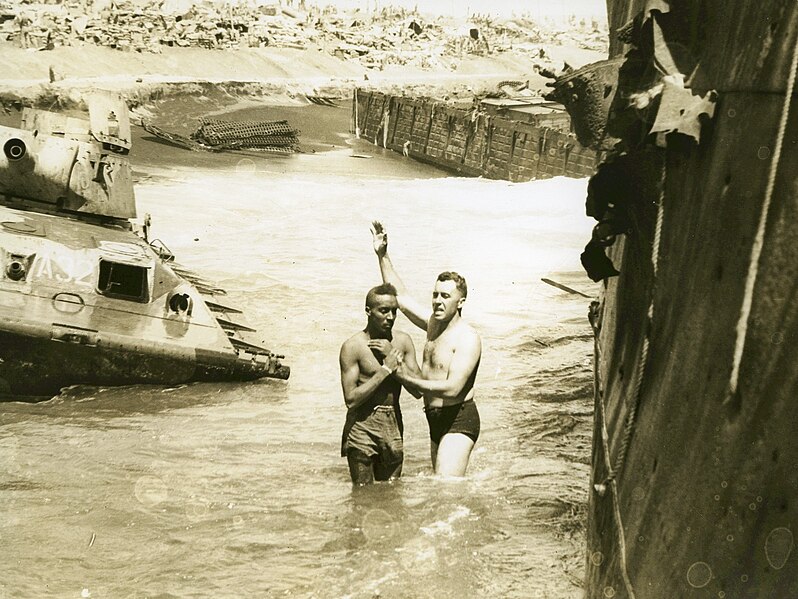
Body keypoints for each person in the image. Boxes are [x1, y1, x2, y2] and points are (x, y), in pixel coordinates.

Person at [370, 221, 482, 477]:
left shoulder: (467, 337)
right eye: (435, 295)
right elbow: (402, 297)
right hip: (435, 418)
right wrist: (382, 255)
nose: (437, 301)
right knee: (444, 492)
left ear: (461, 301)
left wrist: (404, 377)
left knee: (444, 486)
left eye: (445, 296)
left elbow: (453, 387)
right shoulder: (433, 324)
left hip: (459, 417)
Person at [339, 283, 421, 486]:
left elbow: (419, 390)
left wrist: (395, 360)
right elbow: (350, 400)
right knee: (362, 494)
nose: (390, 317)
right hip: (361, 425)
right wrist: (385, 370)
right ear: (368, 311)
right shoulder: (352, 347)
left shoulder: (402, 342)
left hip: (392, 423)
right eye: (383, 311)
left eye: (394, 311)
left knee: (391, 494)